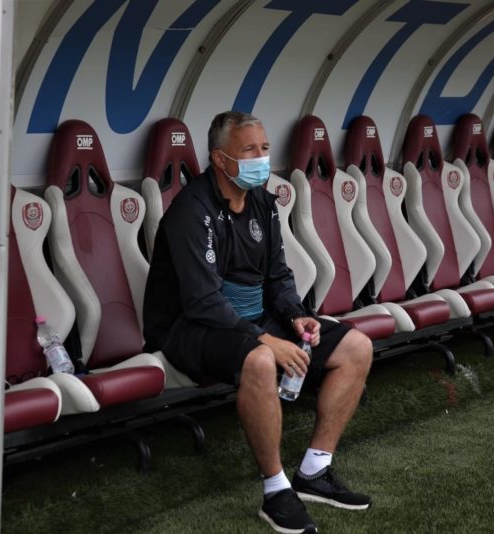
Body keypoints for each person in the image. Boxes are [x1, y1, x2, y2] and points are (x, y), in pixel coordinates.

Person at [143, 111, 373, 533]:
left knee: (356, 347)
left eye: (264, 148)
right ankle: (276, 491)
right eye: (249, 150)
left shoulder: (263, 203)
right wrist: (265, 339)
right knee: (260, 360)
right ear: (220, 158)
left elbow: (278, 277)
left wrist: (297, 316)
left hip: (251, 320)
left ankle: (314, 471)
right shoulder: (191, 210)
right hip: (189, 327)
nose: (261, 158)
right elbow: (203, 302)